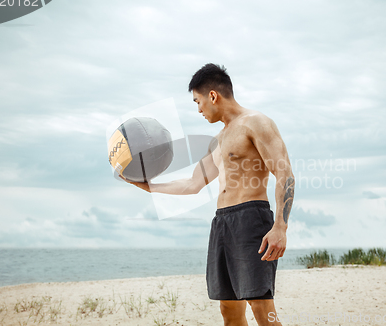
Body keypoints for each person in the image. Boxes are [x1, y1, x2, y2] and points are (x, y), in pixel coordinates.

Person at [121, 63, 294, 326]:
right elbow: (193, 184)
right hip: (222, 222)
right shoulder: (218, 140)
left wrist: (280, 226)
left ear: (213, 96)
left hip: (251, 218)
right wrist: (150, 187)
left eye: (198, 101)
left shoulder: (256, 123)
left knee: (260, 304)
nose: (198, 109)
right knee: (228, 308)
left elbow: (285, 174)